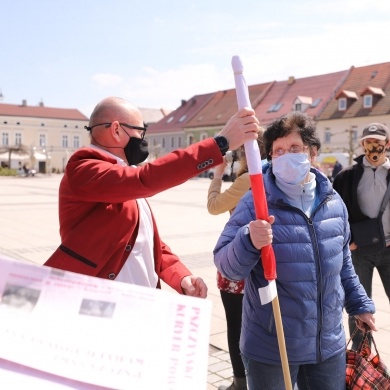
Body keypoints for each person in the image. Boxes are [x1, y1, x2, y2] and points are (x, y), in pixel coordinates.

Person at [214, 111, 376, 390]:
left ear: (312, 153)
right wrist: (248, 240)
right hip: (271, 346)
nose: (286, 156)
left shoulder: (333, 200)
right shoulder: (256, 201)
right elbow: (226, 265)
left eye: (294, 149)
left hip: (327, 346)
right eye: (277, 151)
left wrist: (359, 304)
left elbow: (343, 262)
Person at [44, 97, 259, 299]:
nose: (143, 140)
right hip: (102, 306)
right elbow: (146, 179)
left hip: (140, 307)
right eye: (140, 131)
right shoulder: (84, 168)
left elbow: (145, 242)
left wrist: (182, 277)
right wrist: (220, 143)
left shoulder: (123, 173)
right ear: (116, 130)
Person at [207, 136, 265, 390]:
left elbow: (214, 206)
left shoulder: (247, 179)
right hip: (265, 263)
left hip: (239, 261)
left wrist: (218, 174)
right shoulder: (271, 175)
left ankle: (241, 382)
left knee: (236, 325)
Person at [333, 122, 390, 350]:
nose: (373, 146)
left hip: (389, 250)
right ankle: (361, 358)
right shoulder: (347, 176)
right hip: (359, 253)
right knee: (358, 307)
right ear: (362, 144)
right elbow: (335, 211)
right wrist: (348, 242)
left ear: (387, 144)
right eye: (369, 141)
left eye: (378, 141)